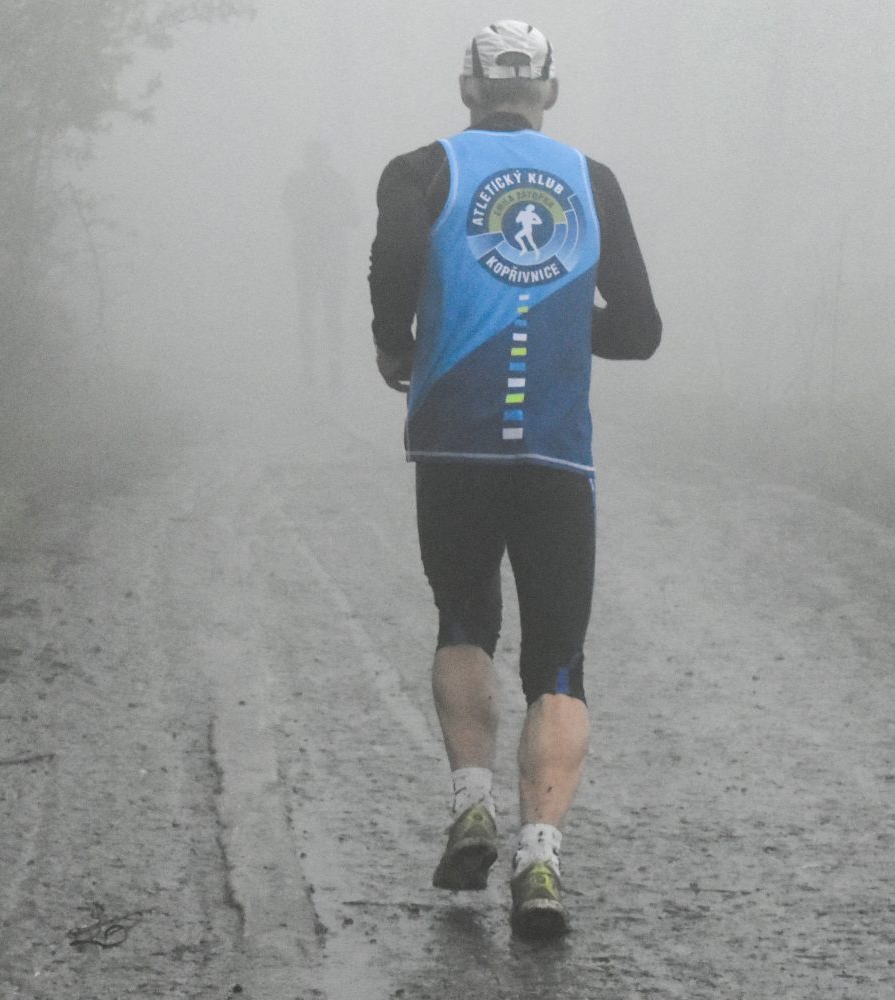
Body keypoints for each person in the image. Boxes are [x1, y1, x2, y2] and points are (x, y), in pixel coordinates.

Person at [368, 20, 661, 939]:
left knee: (463, 619)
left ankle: (471, 807)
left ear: (467, 88)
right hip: (555, 452)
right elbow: (642, 330)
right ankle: (540, 861)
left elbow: (397, 262)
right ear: (550, 92)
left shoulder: (419, 170)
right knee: (559, 659)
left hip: (454, 439)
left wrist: (396, 344)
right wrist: (566, 321)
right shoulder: (591, 180)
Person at [283, 138, 361, 392]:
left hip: (319, 257)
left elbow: (354, 217)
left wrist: (329, 215)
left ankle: (322, 369)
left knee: (319, 314)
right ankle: (323, 369)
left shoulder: (303, 182)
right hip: (322, 257)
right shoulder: (334, 182)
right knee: (323, 314)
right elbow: (354, 217)